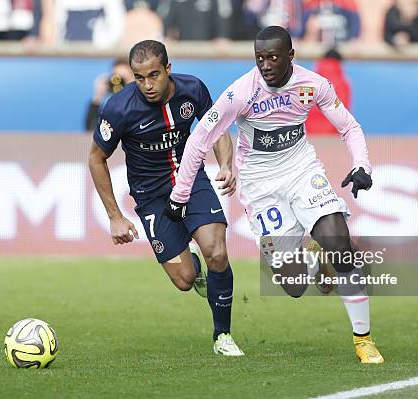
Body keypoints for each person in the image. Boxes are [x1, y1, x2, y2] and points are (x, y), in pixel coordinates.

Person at [164, 26, 384, 364]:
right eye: (259, 58)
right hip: (260, 188)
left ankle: (363, 340)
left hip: (302, 171)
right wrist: (180, 195)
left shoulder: (313, 85)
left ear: (291, 57)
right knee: (294, 285)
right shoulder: (241, 92)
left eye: (273, 57)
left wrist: (362, 165)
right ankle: (316, 259)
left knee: (339, 241)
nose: (265, 65)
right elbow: (199, 141)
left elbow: (349, 126)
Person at [88, 40, 244, 356]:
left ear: (168, 69)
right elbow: (95, 158)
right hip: (150, 197)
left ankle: (222, 335)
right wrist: (116, 216)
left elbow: (216, 129)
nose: (147, 85)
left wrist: (226, 165)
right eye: (139, 77)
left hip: (191, 181)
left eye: (154, 75)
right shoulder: (119, 108)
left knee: (217, 251)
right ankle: (193, 264)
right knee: (185, 279)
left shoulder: (193, 90)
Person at [304, 48, 351, 135]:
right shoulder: (343, 82)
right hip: (332, 136)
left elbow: (302, 107)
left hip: (309, 134)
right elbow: (342, 112)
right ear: (340, 62)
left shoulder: (309, 80)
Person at [85, 59, 135, 132]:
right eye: (115, 79)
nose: (119, 83)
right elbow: (90, 131)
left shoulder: (142, 106)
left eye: (124, 79)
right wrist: (98, 97)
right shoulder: (109, 109)